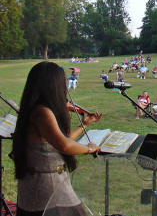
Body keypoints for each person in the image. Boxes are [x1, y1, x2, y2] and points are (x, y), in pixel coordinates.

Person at [12, 62, 102, 216]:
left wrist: (84, 125)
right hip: (46, 187)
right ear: (52, 85)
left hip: (49, 182)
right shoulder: (42, 112)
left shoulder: (36, 108)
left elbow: (58, 141)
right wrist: (89, 149)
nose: (65, 86)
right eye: (63, 82)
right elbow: (64, 145)